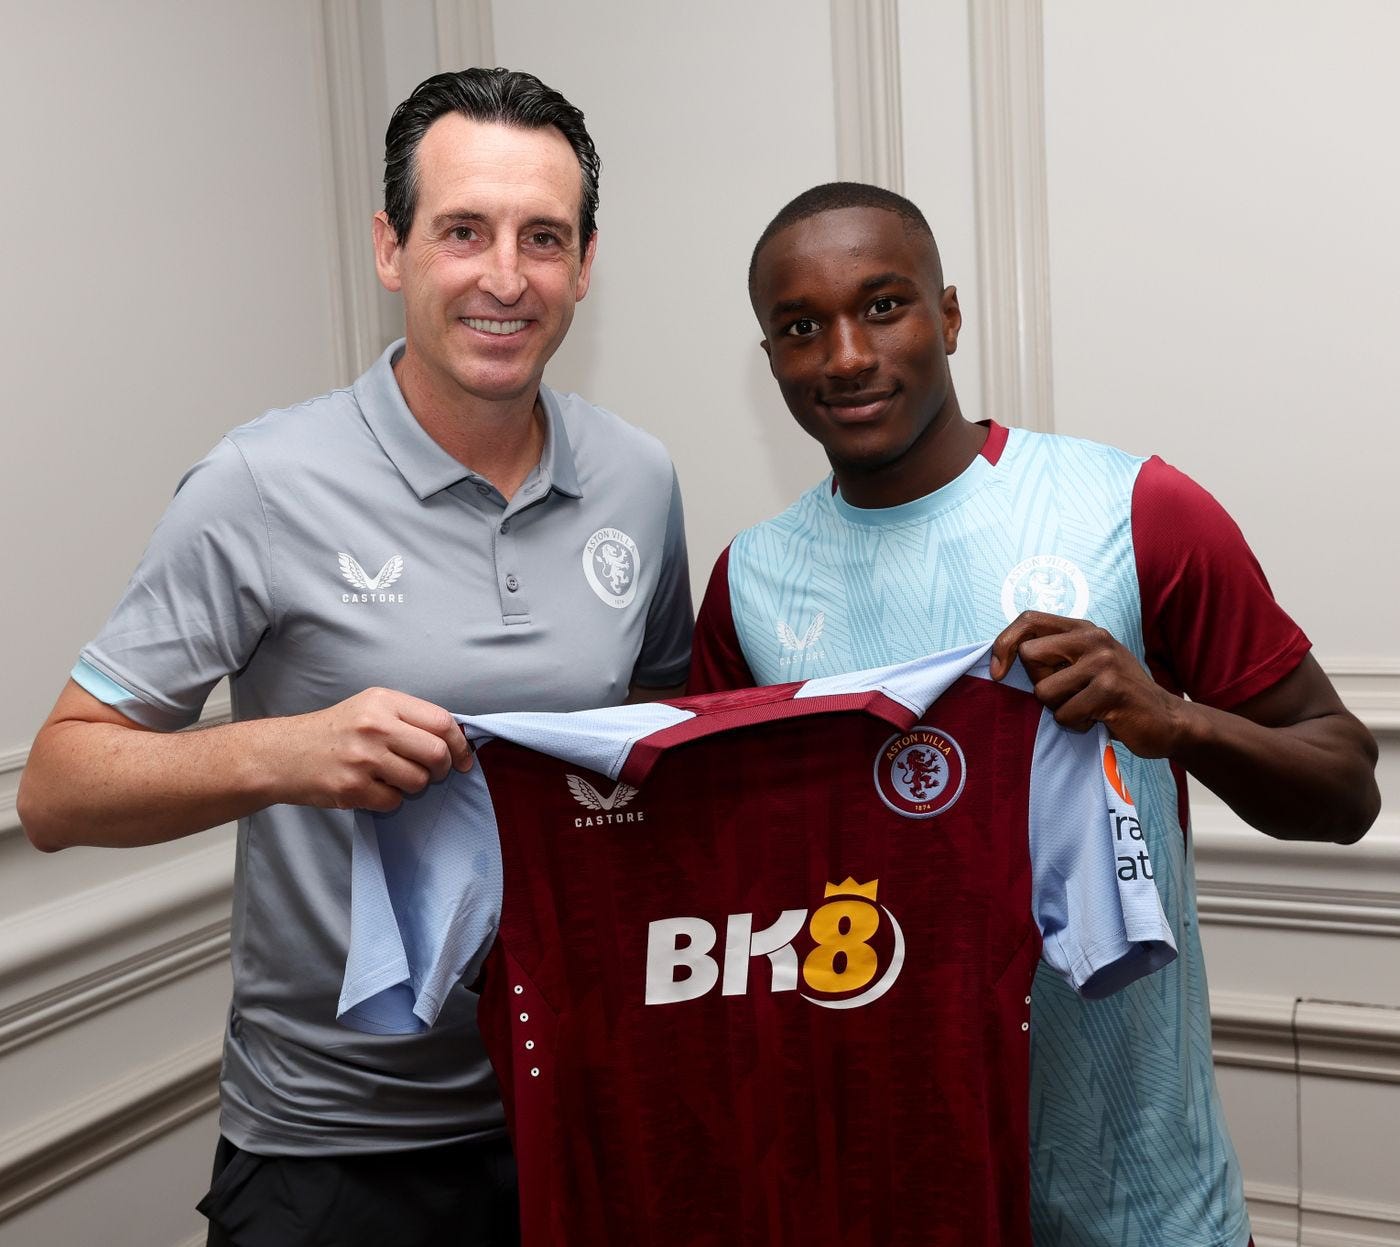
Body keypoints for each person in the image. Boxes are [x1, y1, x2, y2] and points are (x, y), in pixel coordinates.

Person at [17, 68, 692, 1247]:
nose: (504, 276)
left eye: (542, 237)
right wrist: (288, 751)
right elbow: (57, 787)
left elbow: (656, 725)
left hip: (575, 1105)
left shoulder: (640, 478)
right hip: (332, 1144)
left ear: (585, 263)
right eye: (462, 231)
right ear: (391, 248)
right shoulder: (259, 483)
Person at [688, 181, 1380, 1247]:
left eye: (882, 306)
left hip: (1145, 1204)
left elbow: (1346, 788)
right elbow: (720, 892)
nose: (845, 355)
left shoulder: (1132, 508)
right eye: (799, 327)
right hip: (886, 1196)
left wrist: (1174, 721)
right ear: (770, 357)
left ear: (948, 316)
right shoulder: (750, 582)